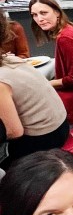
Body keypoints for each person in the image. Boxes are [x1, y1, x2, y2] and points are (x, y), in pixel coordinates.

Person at [0, 12, 68, 169]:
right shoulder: (11, 59)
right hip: (61, 126)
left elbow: (14, 132)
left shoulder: (1, 81)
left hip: (44, 140)